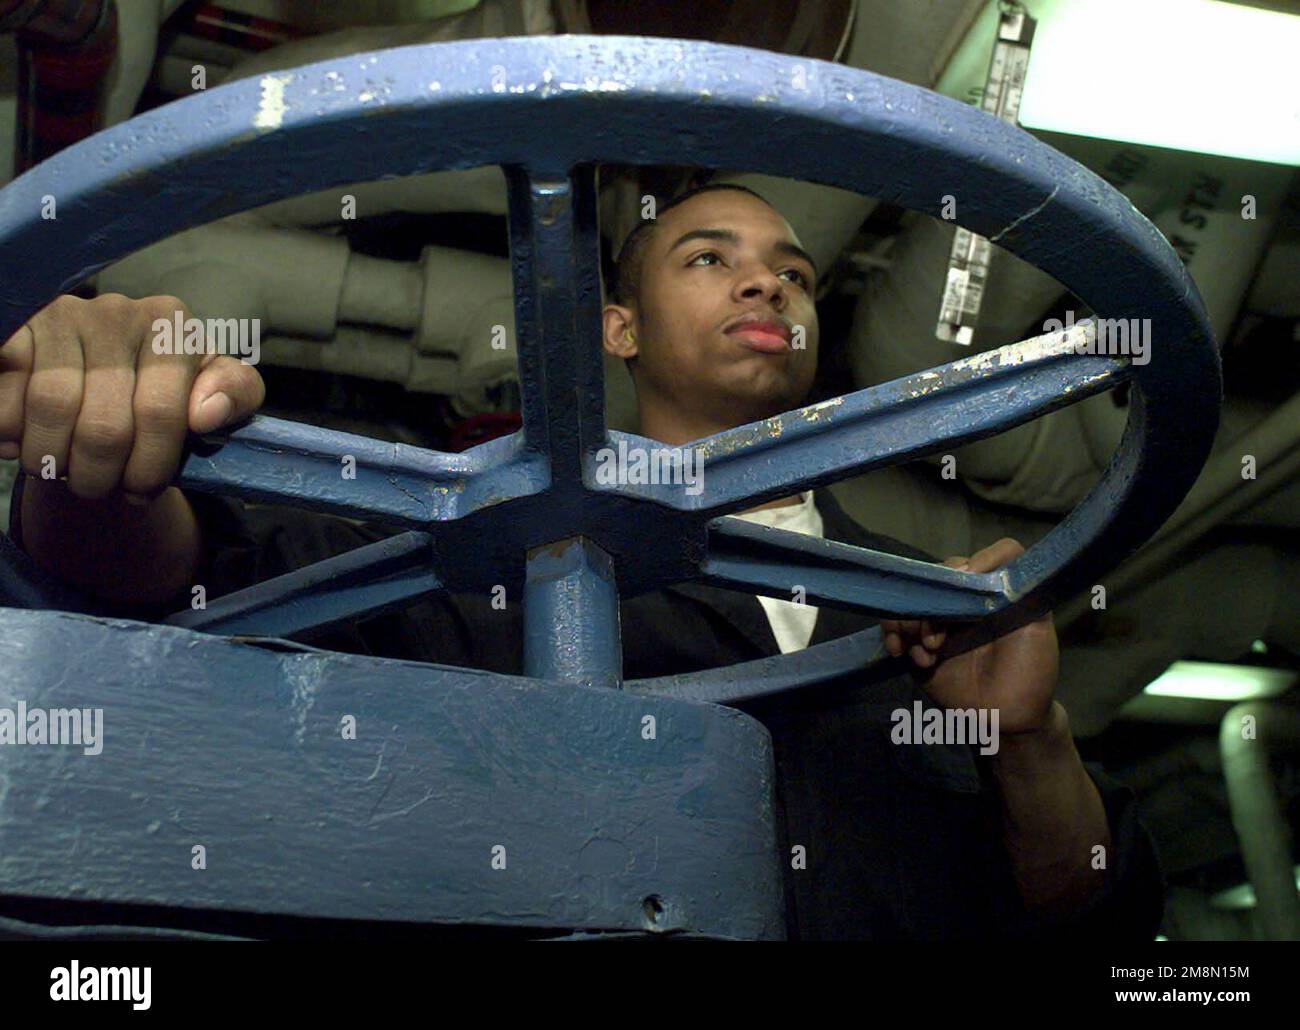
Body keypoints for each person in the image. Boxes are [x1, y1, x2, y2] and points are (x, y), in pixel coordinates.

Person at [1, 182, 1163, 941]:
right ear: (615, 327)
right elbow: (174, 581)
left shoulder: (936, 608)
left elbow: (1099, 925)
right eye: (712, 257)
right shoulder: (474, 547)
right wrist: (98, 440)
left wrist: (1028, 745)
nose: (770, 283)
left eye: (796, 271)